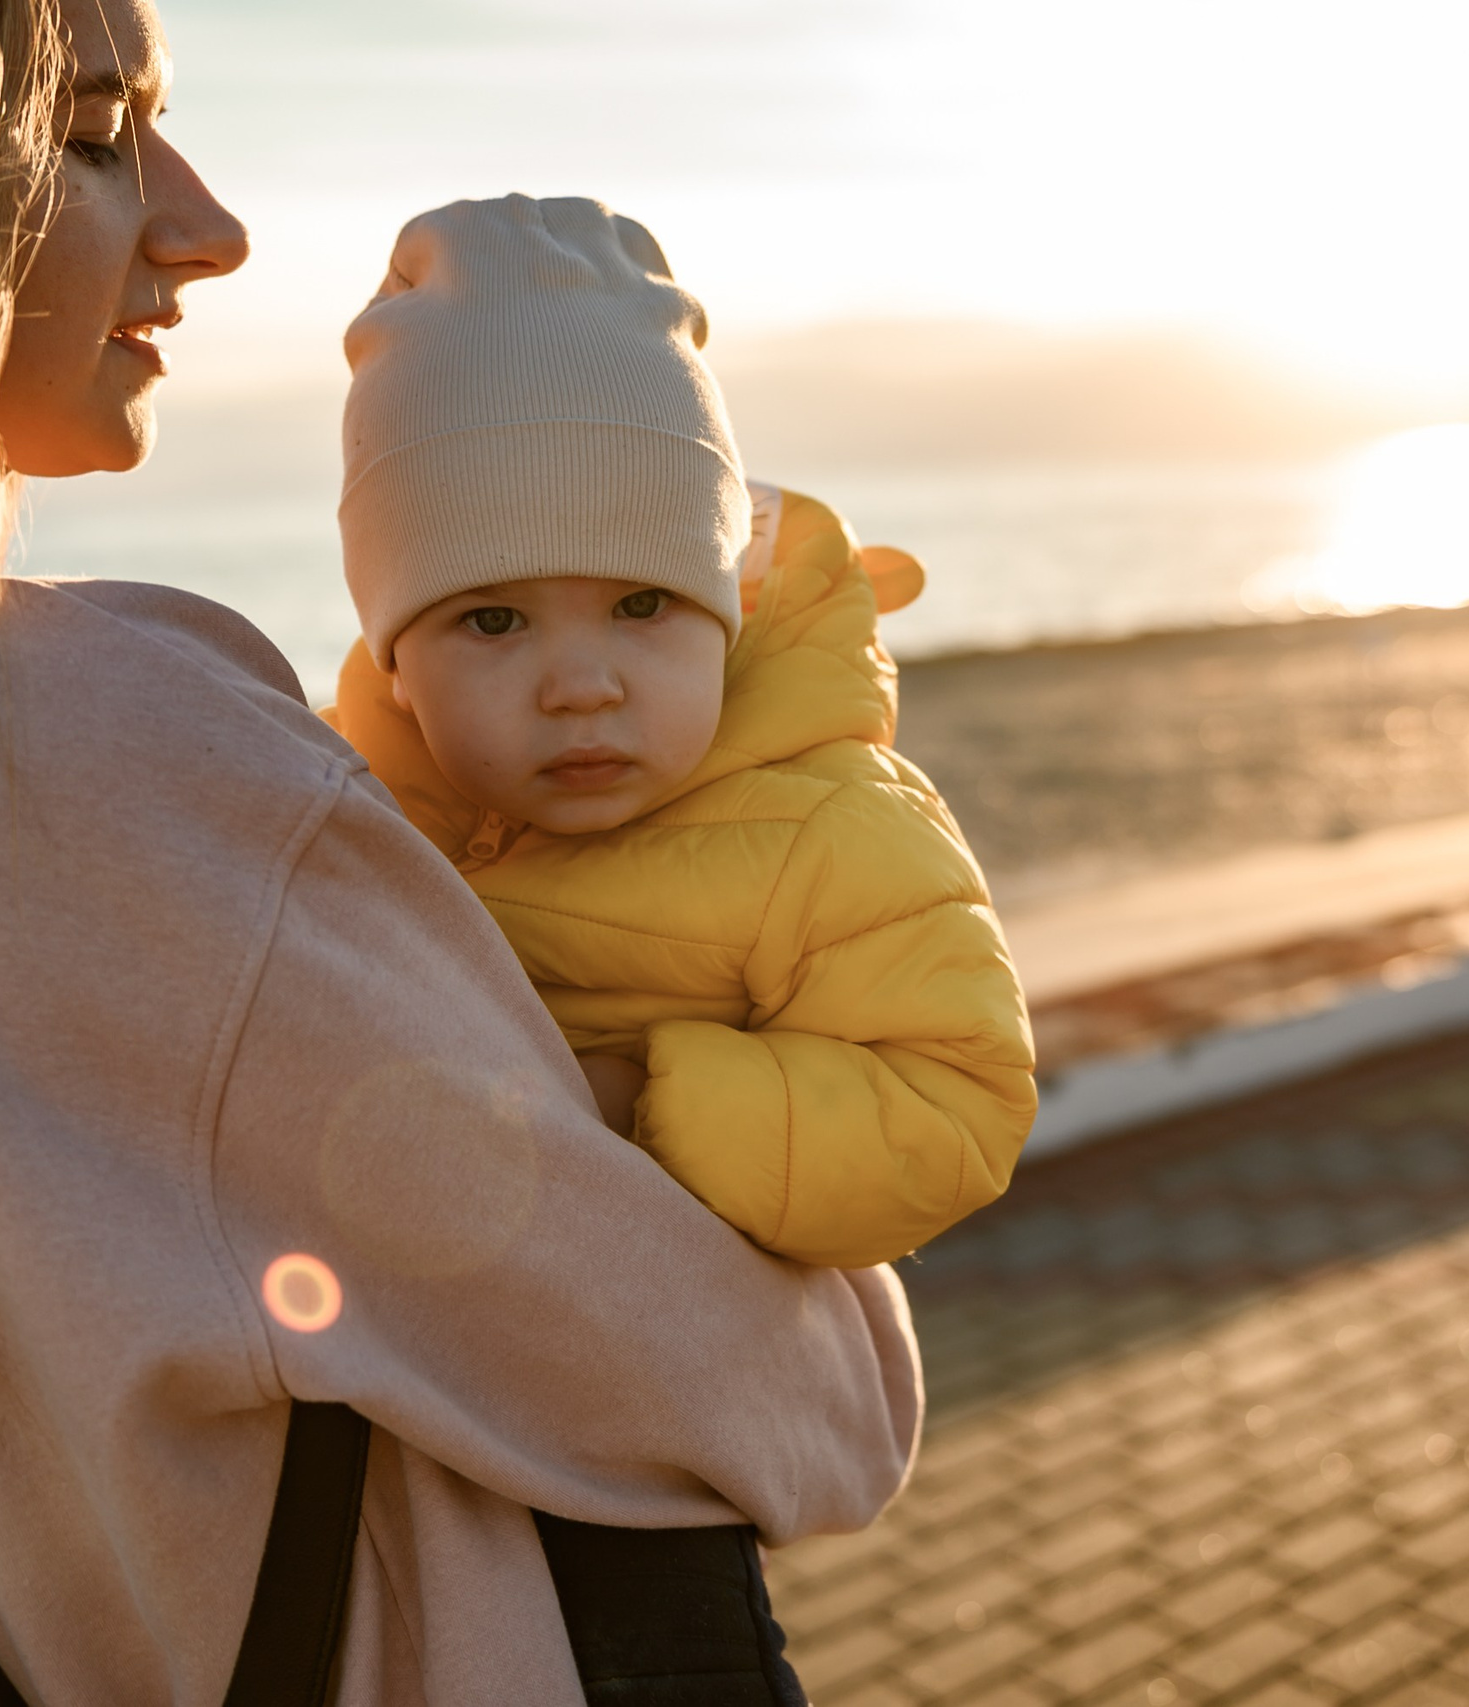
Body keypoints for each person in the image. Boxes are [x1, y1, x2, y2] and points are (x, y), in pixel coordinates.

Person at [0, 3, 922, 1704]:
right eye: (93, 134)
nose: (209, 224)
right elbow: (807, 1411)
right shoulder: (106, 756)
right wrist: (652, 1099)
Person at [327, 196, 1035, 1695]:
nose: (579, 682)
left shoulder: (829, 826)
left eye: (644, 605)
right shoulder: (364, 812)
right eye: (492, 622)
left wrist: (642, 1098)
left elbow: (955, 1101)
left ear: (723, 610)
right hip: (418, 1455)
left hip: (649, 1506)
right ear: (397, 648)